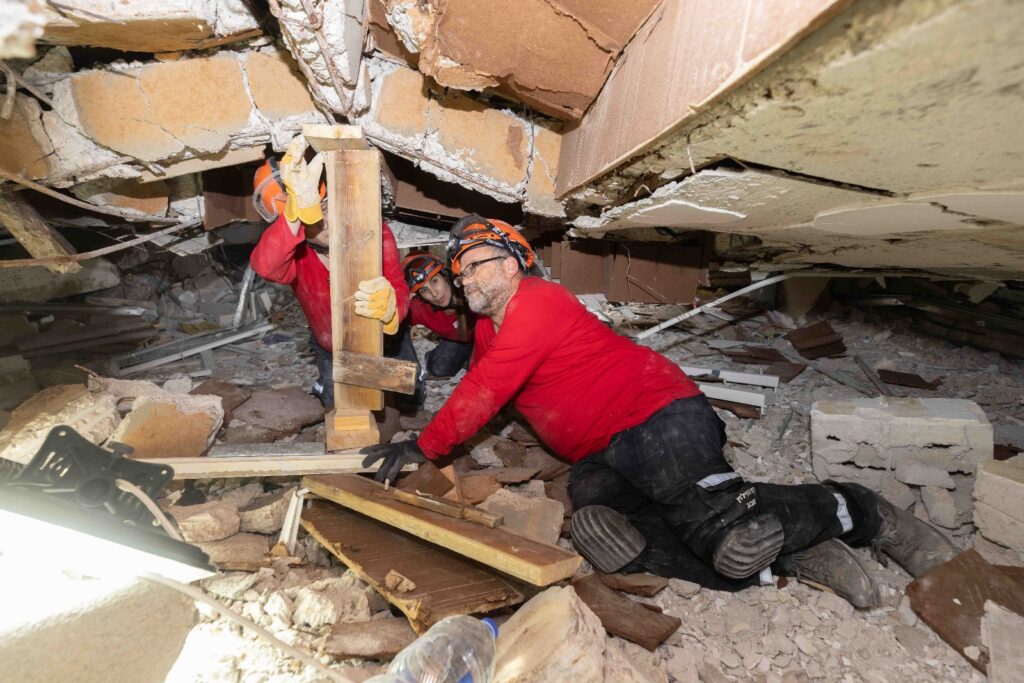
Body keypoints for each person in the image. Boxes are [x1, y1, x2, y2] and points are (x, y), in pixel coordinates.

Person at [361, 216, 957, 607]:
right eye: (458, 267)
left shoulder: (538, 302)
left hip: (655, 414)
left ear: (512, 263)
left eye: (474, 262)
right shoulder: (490, 331)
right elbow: (484, 388)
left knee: (712, 518)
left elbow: (484, 391)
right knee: (614, 538)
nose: (461, 275)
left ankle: (863, 511)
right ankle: (790, 554)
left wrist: (424, 446)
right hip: (600, 455)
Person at [250, 137, 414, 410]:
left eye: (324, 207)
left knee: (409, 397)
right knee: (338, 407)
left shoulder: (372, 230)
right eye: (310, 217)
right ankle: (327, 386)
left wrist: (392, 310)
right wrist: (295, 213)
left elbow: (397, 283)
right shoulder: (296, 255)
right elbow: (266, 266)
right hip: (331, 345)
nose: (323, 222)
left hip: (383, 337)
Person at [403, 251, 476, 378]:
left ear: (445, 276)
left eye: (434, 281)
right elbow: (397, 323)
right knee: (438, 368)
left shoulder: (469, 288)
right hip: (458, 341)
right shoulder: (420, 307)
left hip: (484, 338)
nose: (434, 293)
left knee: (477, 368)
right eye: (424, 290)